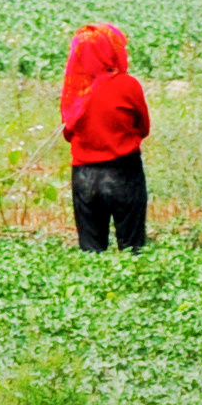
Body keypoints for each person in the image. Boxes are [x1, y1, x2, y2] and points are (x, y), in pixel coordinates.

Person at [59, 21, 150, 251]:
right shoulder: (128, 86)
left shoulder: (75, 91)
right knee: (132, 247)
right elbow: (143, 128)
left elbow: (68, 132)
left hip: (84, 176)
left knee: (91, 250)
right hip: (124, 172)